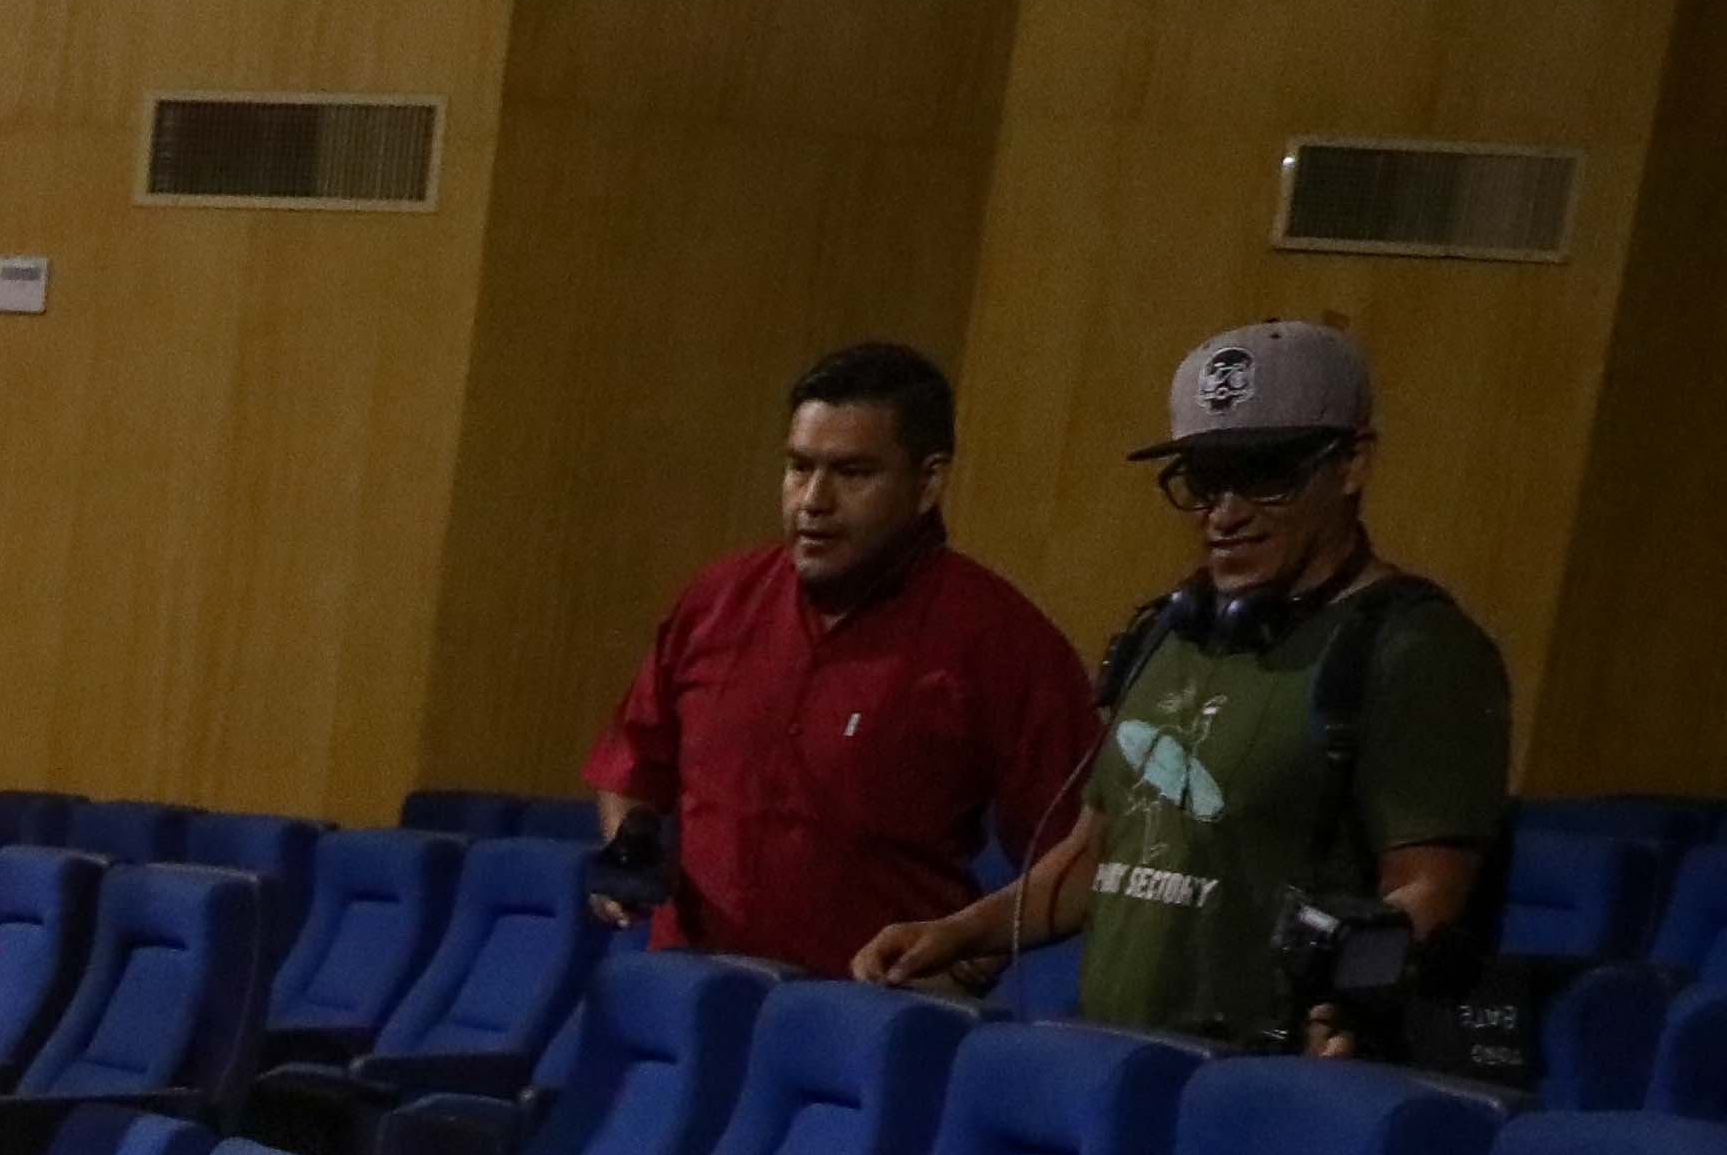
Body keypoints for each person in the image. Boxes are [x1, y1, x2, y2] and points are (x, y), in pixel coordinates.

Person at [857, 319, 1512, 1056]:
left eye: (1265, 474)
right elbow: (1095, 854)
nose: (1224, 514)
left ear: (1352, 464)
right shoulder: (1173, 632)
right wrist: (957, 933)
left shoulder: (1416, 651)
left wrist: (1352, 1013)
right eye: (1203, 481)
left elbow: (1427, 895)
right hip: (1110, 1061)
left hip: (1260, 1083)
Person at [581, 340, 1092, 974]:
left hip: (862, 1027)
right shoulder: (717, 600)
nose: (813, 502)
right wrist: (627, 845)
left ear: (928, 482)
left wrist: (968, 946)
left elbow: (1078, 856)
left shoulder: (1003, 641)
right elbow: (631, 768)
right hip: (689, 1004)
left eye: (853, 474)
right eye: (799, 467)